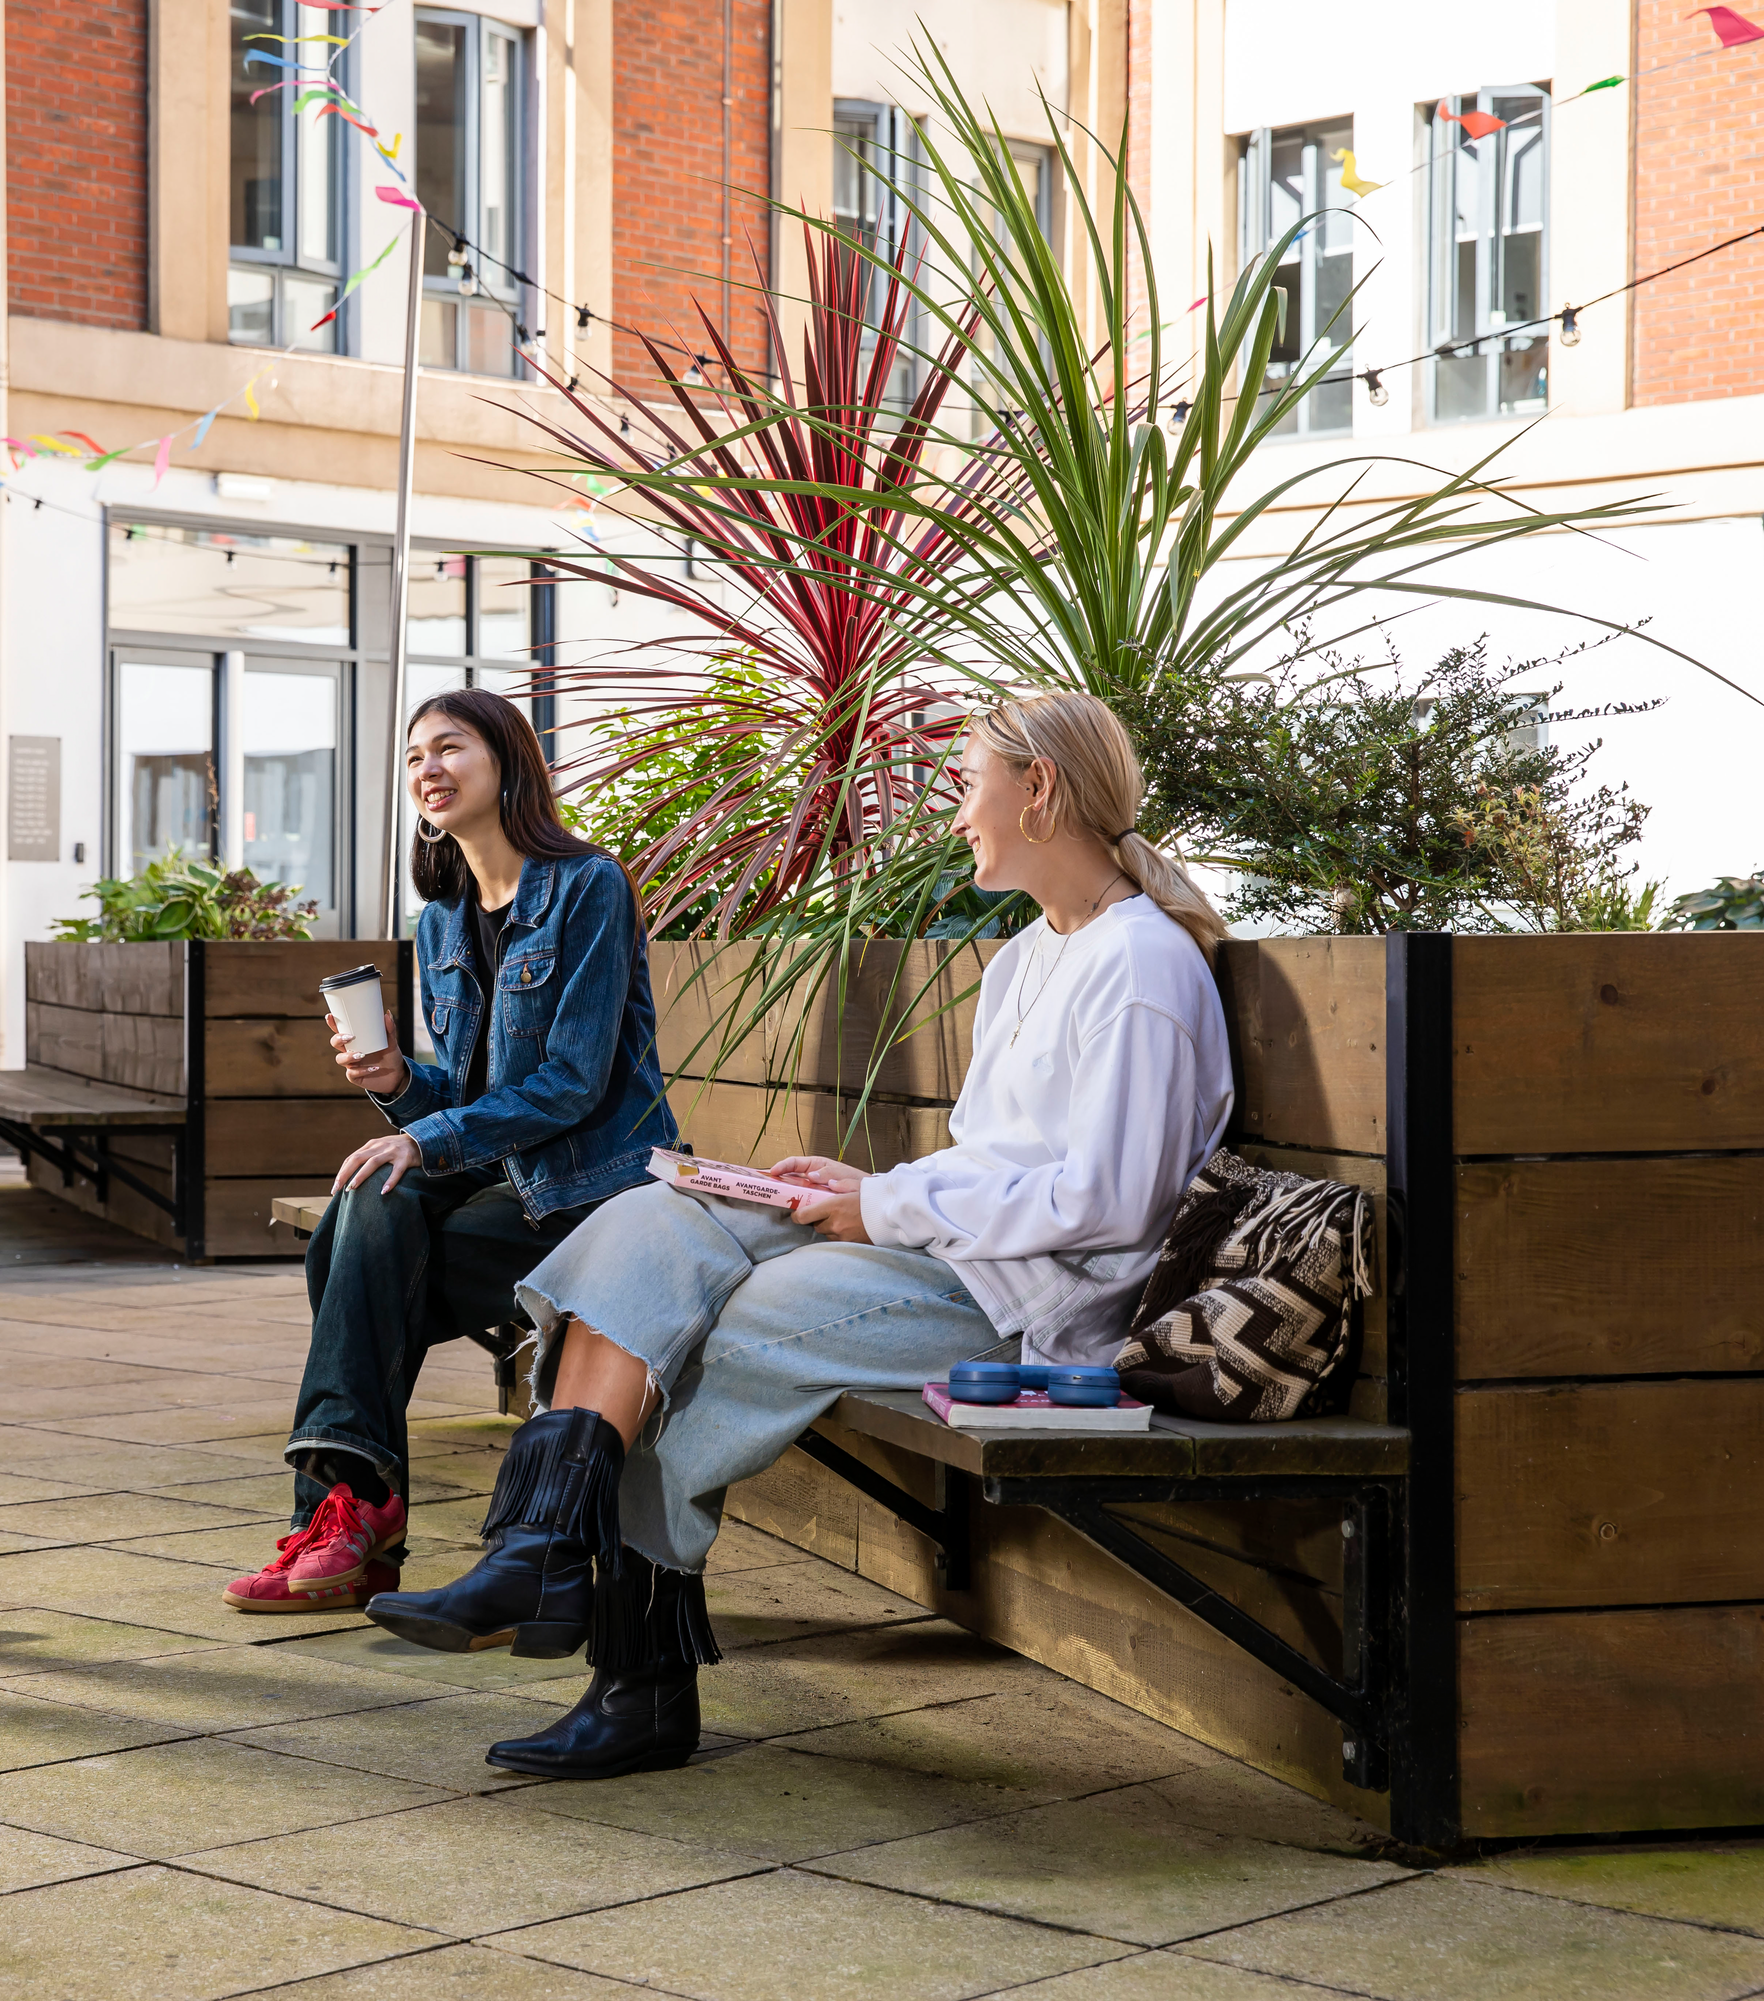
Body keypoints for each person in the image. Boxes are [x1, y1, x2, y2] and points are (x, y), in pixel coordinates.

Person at [366, 691, 1234, 1777]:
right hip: (958, 1252)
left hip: (1040, 1306)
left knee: (712, 1332)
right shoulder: (1028, 958)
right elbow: (1002, 1155)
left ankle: (637, 1681)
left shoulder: (1141, 967)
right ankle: (535, 1547)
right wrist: (872, 1183)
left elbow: (1113, 1204)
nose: (957, 812)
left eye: (968, 784)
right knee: (653, 1218)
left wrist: (882, 1209)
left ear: (1041, 790)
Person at [224, 689, 678, 1613]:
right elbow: (475, 1100)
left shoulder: (588, 886)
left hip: (596, 1190)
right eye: (415, 755)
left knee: (357, 1256)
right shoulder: (440, 921)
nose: (428, 768)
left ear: (508, 759)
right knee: (368, 1210)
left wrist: (425, 1135)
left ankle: (352, 1518)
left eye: (450, 747)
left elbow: (571, 1084)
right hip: (501, 1181)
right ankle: (350, 1514)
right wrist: (398, 1082)